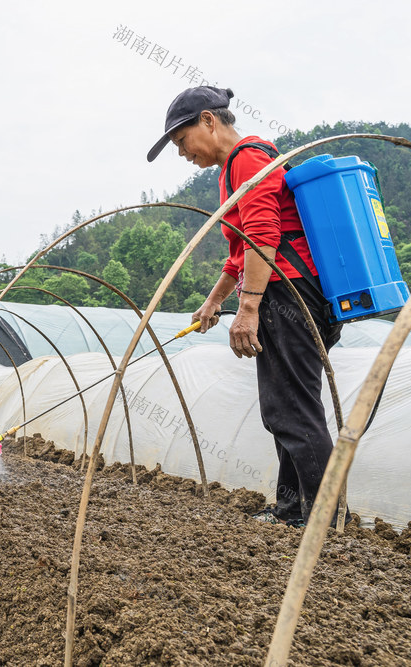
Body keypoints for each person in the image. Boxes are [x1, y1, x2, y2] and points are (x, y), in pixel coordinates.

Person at [147, 86, 344, 527]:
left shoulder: (250, 159)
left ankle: (324, 523)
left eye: (181, 142)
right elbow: (241, 252)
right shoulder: (233, 169)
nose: (182, 153)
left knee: (292, 410)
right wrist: (214, 300)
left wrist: (249, 308)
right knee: (288, 408)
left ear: (208, 121)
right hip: (285, 291)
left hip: (289, 294)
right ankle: (294, 512)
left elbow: (263, 235)